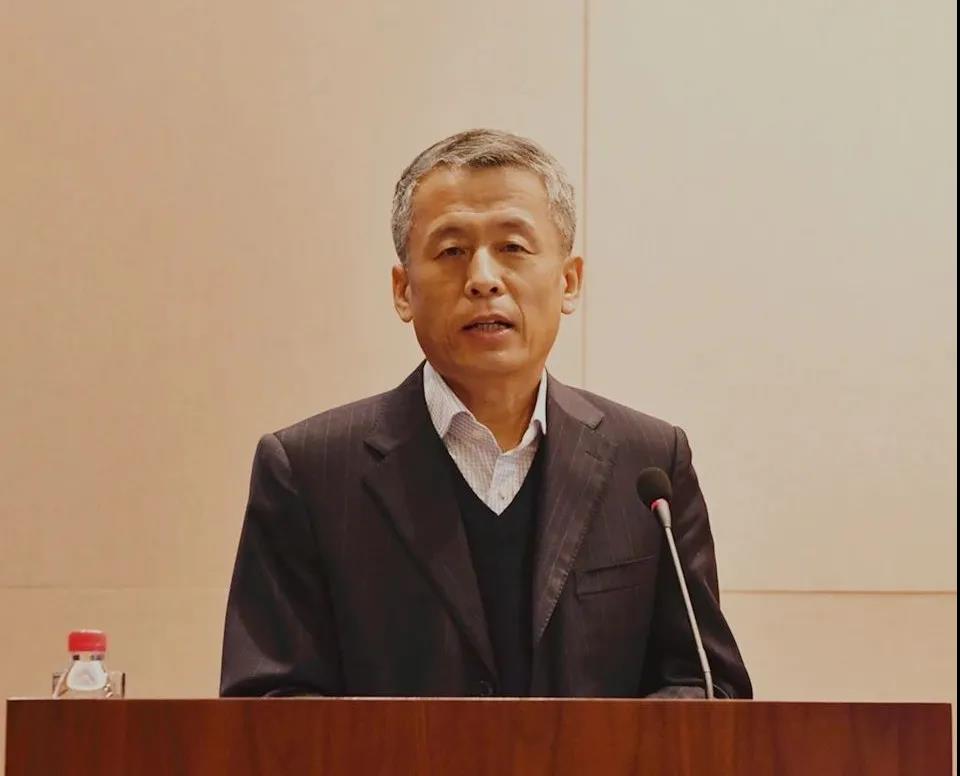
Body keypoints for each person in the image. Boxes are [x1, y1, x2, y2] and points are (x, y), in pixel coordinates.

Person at [219, 129, 752, 699]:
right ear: (403, 290)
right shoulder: (309, 472)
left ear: (569, 281)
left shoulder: (649, 466)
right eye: (451, 251)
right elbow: (267, 709)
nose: (482, 279)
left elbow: (704, 685)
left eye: (513, 247)